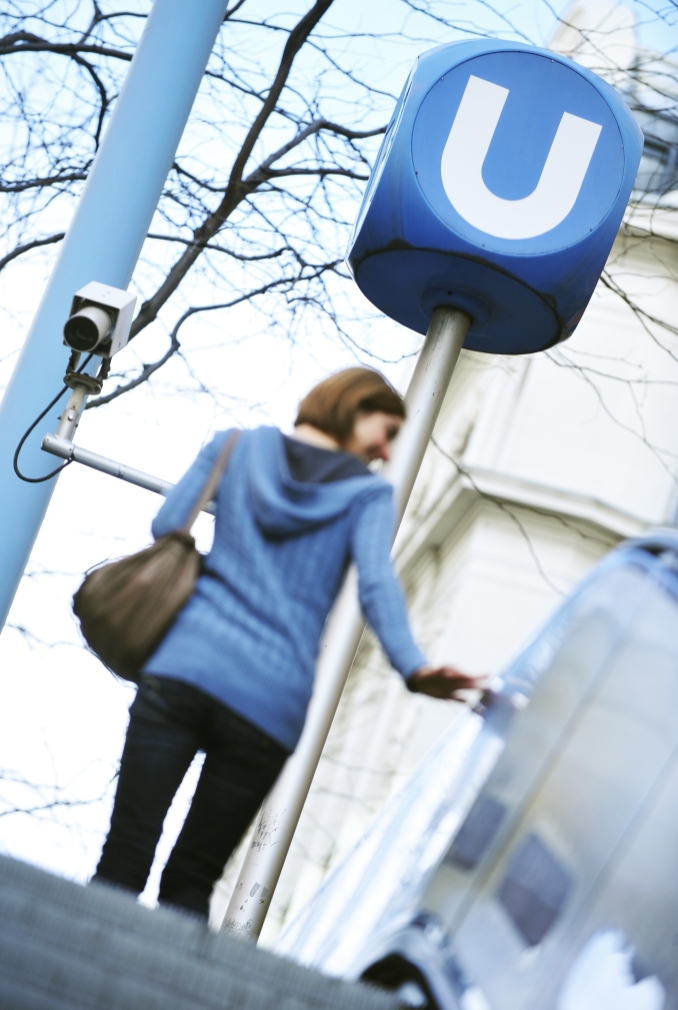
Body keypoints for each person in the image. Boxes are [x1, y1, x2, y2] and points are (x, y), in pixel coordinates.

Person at [92, 367, 482, 918]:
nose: (389, 453)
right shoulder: (366, 497)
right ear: (351, 407)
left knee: (123, 857)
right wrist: (414, 668)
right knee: (190, 883)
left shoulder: (235, 447)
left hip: (185, 667)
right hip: (269, 706)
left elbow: (168, 524)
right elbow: (376, 583)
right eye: (387, 432)